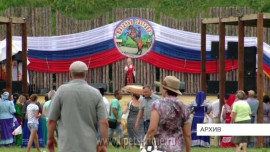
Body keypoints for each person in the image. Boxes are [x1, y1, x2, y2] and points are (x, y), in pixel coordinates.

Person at [47, 61, 108, 152]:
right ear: (86, 74)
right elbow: (104, 122)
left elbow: (51, 120)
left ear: (70, 74)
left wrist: (50, 138)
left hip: (66, 146)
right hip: (89, 146)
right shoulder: (96, 93)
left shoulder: (61, 91)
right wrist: (103, 143)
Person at [145, 76, 191, 152]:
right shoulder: (184, 107)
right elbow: (187, 134)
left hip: (160, 147)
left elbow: (152, 129)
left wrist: (146, 144)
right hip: (177, 148)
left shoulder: (157, 104)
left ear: (165, 90)